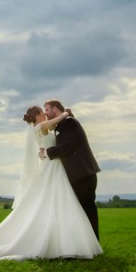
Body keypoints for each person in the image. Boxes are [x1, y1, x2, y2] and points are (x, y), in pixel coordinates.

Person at [0, 105, 102, 261]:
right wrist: (65, 113)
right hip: (52, 167)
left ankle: (64, 241)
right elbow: (58, 127)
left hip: (54, 167)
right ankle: (65, 243)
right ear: (39, 115)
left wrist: (45, 150)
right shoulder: (41, 126)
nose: (46, 114)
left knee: (59, 203)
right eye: (43, 111)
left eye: (47, 110)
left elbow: (59, 142)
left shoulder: (42, 127)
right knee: (58, 202)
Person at [38, 100, 100, 240]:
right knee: (80, 211)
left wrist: (46, 153)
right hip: (78, 175)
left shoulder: (69, 122)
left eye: (47, 110)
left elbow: (68, 147)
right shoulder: (62, 124)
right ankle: (85, 243)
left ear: (55, 109)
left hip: (83, 174)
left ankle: (93, 244)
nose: (46, 113)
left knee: (87, 209)